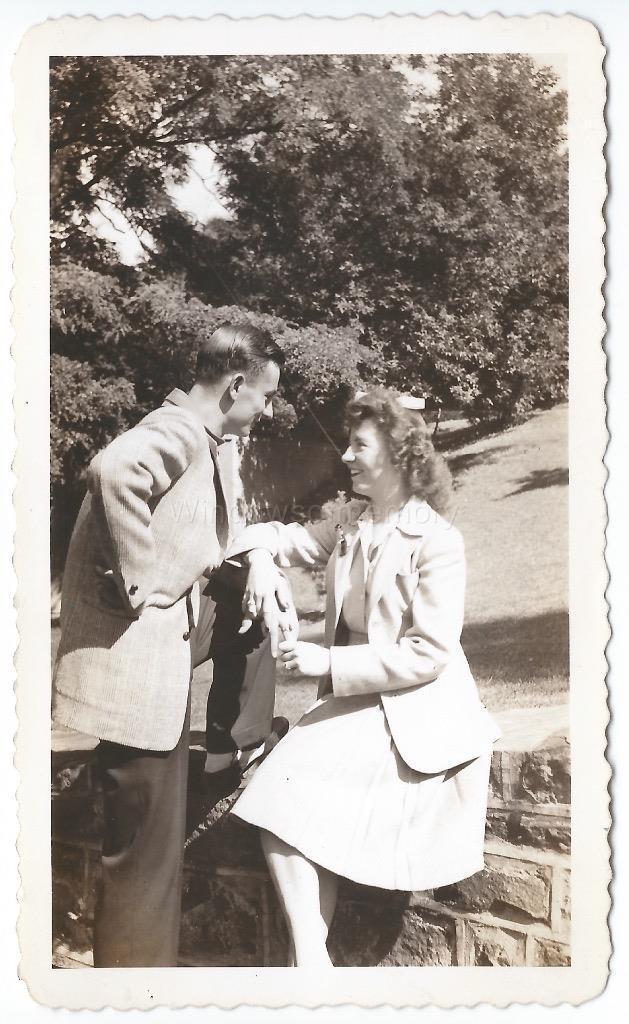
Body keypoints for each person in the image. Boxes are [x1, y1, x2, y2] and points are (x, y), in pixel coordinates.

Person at [230, 388, 501, 967]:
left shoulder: (438, 542)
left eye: (359, 446)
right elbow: (281, 538)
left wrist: (329, 663)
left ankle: (309, 965)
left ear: (400, 455)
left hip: (412, 709)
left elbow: (429, 652)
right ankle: (313, 960)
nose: (346, 457)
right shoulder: (352, 522)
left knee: (294, 797)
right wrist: (258, 558)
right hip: (354, 705)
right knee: (276, 799)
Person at [52, 323, 291, 967]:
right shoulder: (179, 430)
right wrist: (143, 580)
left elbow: (216, 546)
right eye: (263, 397)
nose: (266, 411)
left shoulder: (209, 438)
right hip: (136, 673)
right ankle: (132, 997)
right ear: (235, 384)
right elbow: (112, 469)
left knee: (254, 599)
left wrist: (260, 563)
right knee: (143, 867)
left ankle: (229, 750)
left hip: (168, 643)